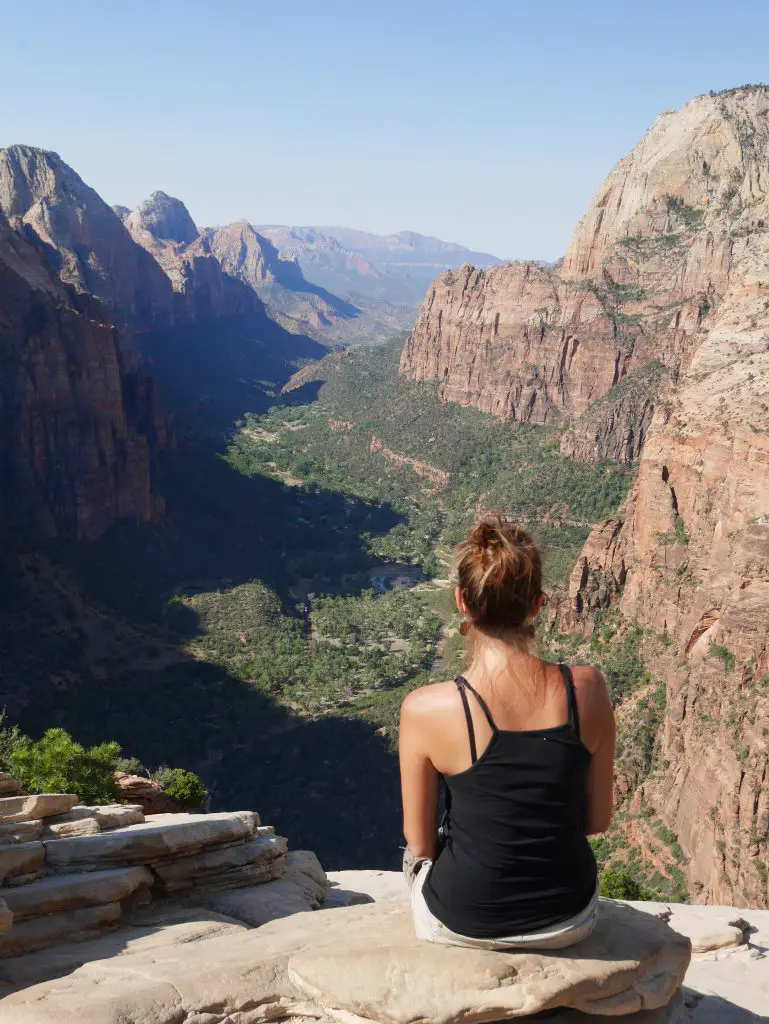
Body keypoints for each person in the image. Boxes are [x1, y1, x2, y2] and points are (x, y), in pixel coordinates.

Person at [399, 513, 615, 950]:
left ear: (461, 601)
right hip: (570, 917)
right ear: (537, 604)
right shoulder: (587, 690)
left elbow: (420, 843)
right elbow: (597, 821)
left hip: (461, 921)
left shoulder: (425, 709)